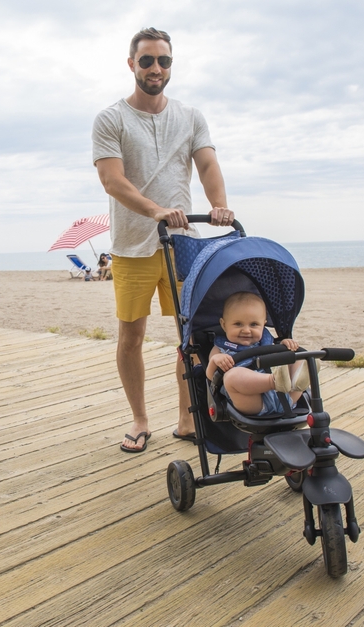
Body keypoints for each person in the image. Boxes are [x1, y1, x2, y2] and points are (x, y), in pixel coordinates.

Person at [93, 27, 234, 452]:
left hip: (183, 243)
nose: (157, 68)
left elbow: (207, 164)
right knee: (130, 337)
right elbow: (112, 180)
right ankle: (139, 418)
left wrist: (220, 205)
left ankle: (187, 418)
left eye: (164, 61)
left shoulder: (190, 116)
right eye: (148, 60)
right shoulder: (111, 118)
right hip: (132, 245)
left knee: (190, 338)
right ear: (132, 63)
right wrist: (154, 209)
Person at [205, 292, 310, 416]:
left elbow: (282, 357)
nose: (246, 330)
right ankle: (274, 381)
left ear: (263, 324)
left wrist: (285, 346)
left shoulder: (267, 342)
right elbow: (212, 376)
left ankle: (298, 382)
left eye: (254, 324)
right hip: (254, 402)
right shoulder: (221, 349)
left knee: (299, 357)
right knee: (232, 376)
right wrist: (215, 360)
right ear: (224, 324)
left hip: (287, 397)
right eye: (238, 324)